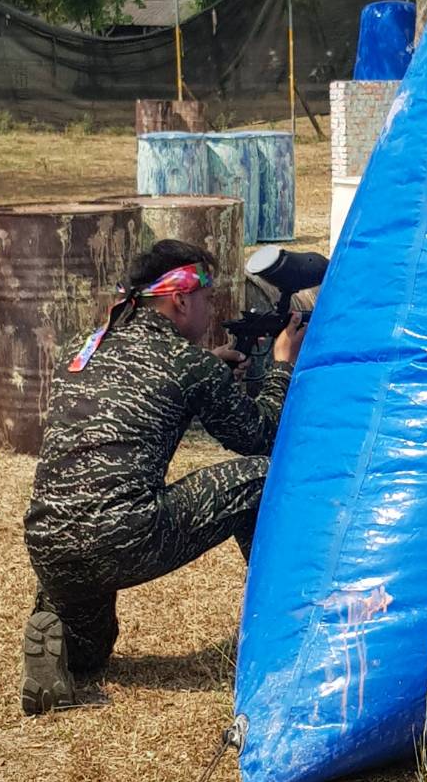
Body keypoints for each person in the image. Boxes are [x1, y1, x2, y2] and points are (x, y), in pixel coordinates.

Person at [21, 238, 304, 715]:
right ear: (179, 299)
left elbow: (136, 395)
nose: (212, 309)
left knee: (93, 652)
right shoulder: (188, 366)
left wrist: (206, 372)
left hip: (50, 543)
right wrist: (281, 368)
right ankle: (283, 624)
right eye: (207, 298)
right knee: (262, 478)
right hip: (124, 537)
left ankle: (56, 636)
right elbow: (261, 435)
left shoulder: (84, 348)